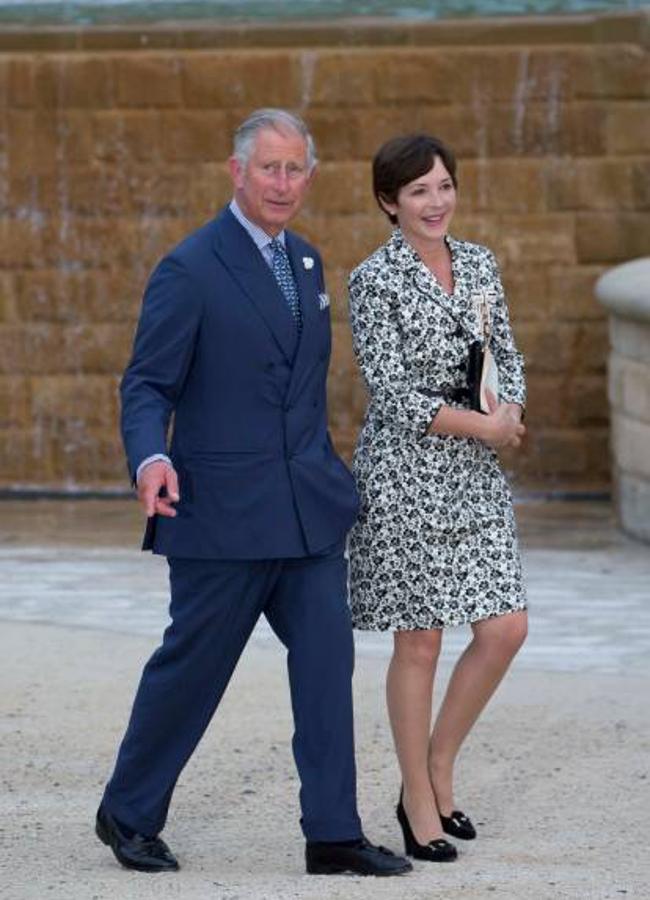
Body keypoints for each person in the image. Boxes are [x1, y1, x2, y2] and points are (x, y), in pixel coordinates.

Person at [95, 109, 411, 879]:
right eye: (268, 167)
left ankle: (332, 833)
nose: (282, 182)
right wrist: (149, 461)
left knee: (326, 669)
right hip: (221, 519)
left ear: (308, 176)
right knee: (193, 671)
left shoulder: (306, 263)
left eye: (294, 168)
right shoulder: (190, 268)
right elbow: (146, 384)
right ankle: (127, 813)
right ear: (237, 172)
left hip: (306, 517)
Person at [347, 133, 528, 863]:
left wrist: (509, 413)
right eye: (418, 190)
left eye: (444, 185)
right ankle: (417, 800)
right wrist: (481, 425)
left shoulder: (481, 263)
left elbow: (506, 353)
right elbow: (388, 393)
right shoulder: (373, 279)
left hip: (477, 471)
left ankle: (438, 763)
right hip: (407, 472)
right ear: (390, 202)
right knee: (418, 640)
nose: (435, 201)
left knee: (505, 628)